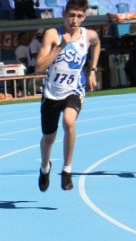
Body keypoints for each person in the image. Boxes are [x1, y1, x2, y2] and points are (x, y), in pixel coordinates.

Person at [34, 0, 101, 191]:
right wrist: (60, 46)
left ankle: (67, 170)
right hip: (52, 92)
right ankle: (45, 167)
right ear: (64, 14)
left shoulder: (88, 35)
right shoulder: (52, 34)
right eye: (71, 15)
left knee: (69, 122)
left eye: (79, 16)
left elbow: (97, 44)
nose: (74, 20)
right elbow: (39, 67)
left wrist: (93, 70)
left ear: (84, 17)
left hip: (74, 89)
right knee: (48, 138)